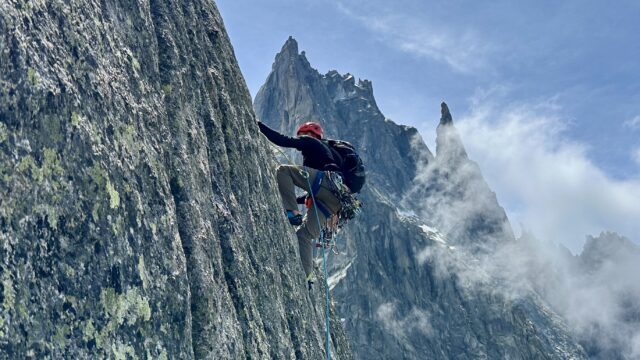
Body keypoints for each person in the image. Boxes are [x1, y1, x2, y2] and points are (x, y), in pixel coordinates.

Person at [257, 120, 341, 286]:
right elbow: (311, 192)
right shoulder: (323, 153)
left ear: (307, 134)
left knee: (283, 171)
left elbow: (283, 140)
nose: (300, 139)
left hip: (324, 185)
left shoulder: (310, 142)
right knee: (304, 235)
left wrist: (257, 124)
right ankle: (308, 277)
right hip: (333, 201)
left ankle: (293, 213)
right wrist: (292, 199)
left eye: (301, 136)